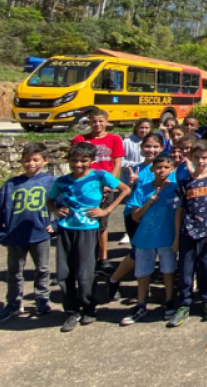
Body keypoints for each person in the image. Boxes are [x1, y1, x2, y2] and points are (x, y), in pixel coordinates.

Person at [46, 142, 132, 332]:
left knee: (85, 273)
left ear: (92, 161)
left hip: (88, 230)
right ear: (68, 161)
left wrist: (106, 210)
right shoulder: (62, 181)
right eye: (74, 161)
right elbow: (50, 200)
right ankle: (71, 311)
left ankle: (89, 308)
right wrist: (55, 210)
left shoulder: (100, 176)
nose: (78, 164)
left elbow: (125, 189)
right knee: (64, 273)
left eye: (83, 161)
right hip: (66, 229)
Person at [0, 143, 57, 323]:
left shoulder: (51, 182)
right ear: (21, 161)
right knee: (14, 271)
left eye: (35, 159)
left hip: (39, 234)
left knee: (42, 268)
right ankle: (13, 302)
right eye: (27, 160)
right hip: (16, 236)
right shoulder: (11, 184)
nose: (31, 163)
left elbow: (65, 205)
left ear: (45, 161)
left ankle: (42, 298)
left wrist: (56, 224)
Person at [169, 140, 207, 327]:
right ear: (191, 158)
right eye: (197, 158)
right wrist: (177, 236)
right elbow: (178, 210)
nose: (201, 161)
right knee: (186, 270)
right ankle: (184, 304)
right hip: (187, 232)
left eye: (204, 158)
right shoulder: (185, 183)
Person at [120, 154, 178, 326]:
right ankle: (141, 304)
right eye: (158, 167)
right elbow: (135, 217)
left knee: (168, 270)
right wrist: (150, 202)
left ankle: (169, 301)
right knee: (143, 272)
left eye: (166, 167)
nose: (162, 170)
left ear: (172, 169)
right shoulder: (142, 189)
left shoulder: (175, 188)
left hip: (167, 238)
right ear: (152, 169)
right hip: (145, 238)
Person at [107, 133, 165, 302]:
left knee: (152, 252)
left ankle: (143, 287)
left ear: (162, 148)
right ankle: (113, 279)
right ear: (141, 148)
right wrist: (131, 182)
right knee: (139, 253)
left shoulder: (166, 167)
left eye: (155, 147)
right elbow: (127, 192)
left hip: (157, 216)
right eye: (147, 146)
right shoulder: (137, 169)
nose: (151, 150)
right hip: (135, 216)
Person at [71, 110, 124, 274]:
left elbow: (116, 163)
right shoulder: (80, 140)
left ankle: (103, 257)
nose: (97, 124)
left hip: (105, 186)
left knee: (102, 223)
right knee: (83, 221)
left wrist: (109, 185)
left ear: (107, 122)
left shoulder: (114, 140)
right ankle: (85, 256)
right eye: (94, 121)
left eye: (101, 121)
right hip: (85, 188)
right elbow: (74, 162)